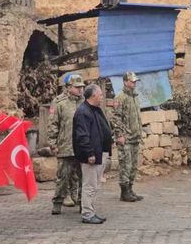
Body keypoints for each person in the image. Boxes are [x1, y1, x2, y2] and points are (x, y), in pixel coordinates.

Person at [73, 84, 113, 224]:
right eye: (100, 94)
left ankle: (91, 211)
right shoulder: (83, 112)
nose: (102, 97)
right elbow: (83, 136)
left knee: (95, 185)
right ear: (93, 96)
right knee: (89, 185)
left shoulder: (95, 110)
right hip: (92, 155)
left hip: (100, 152)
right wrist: (89, 153)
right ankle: (87, 214)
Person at [48, 73, 85, 215]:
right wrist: (53, 143)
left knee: (83, 176)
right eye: (77, 87)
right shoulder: (59, 102)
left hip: (82, 146)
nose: (80, 90)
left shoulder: (84, 102)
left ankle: (83, 203)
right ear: (69, 87)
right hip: (65, 145)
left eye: (81, 87)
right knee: (63, 176)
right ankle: (57, 202)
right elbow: (53, 124)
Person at [110, 72, 143, 202]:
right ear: (125, 82)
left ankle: (130, 189)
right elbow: (115, 118)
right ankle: (124, 192)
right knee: (126, 165)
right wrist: (120, 135)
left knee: (133, 166)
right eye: (132, 81)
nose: (134, 83)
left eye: (135, 81)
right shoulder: (120, 97)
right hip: (126, 138)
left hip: (135, 137)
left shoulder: (135, 97)